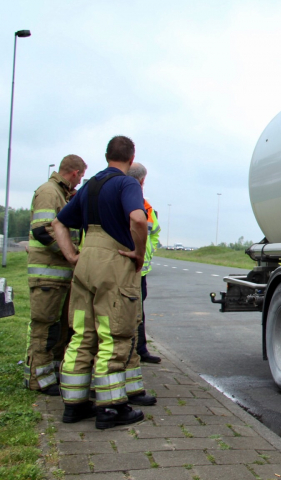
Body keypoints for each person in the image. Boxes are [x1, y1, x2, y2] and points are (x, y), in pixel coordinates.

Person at [52, 136, 153, 429]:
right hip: (113, 264)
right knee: (114, 333)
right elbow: (137, 218)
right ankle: (111, 409)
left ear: (106, 155)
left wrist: (72, 255)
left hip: (85, 265)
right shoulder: (127, 184)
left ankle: (74, 405)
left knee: (82, 333)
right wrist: (138, 252)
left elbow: (58, 223)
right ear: (131, 160)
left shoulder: (89, 186)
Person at [24, 155, 86, 395]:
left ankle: (50, 374)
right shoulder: (50, 192)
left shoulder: (61, 194)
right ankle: (37, 379)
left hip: (57, 276)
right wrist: (70, 254)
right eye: (80, 176)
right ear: (75, 173)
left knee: (57, 328)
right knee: (44, 327)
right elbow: (42, 230)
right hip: (47, 274)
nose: (80, 182)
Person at [127, 162, 162, 366]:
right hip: (126, 267)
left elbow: (154, 232)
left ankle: (140, 349)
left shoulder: (147, 207)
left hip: (140, 269)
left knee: (138, 310)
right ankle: (132, 350)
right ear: (142, 181)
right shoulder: (133, 202)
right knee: (128, 310)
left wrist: (150, 250)